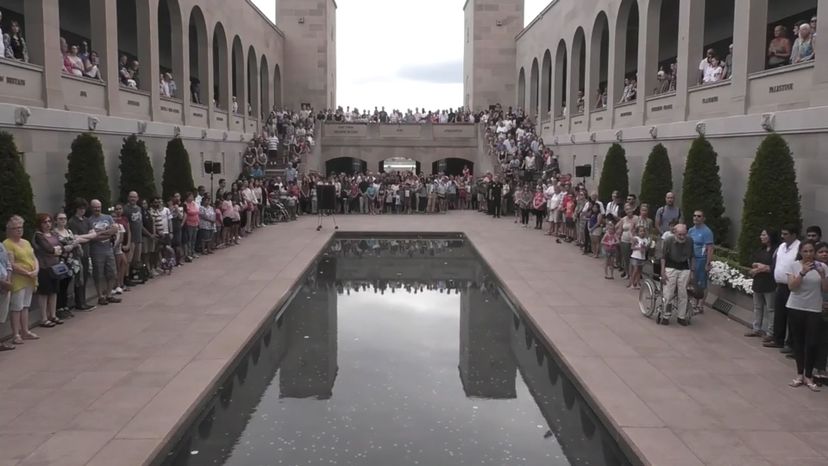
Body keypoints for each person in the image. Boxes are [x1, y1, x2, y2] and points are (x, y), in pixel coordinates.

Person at [785, 240, 828, 391]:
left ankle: (809, 376)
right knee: (799, 342)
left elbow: (825, 289)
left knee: (812, 343)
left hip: (814, 309)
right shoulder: (794, 265)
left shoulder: (822, 267)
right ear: (801, 252)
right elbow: (792, 287)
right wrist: (802, 273)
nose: (809, 254)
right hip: (796, 307)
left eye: (811, 251)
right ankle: (799, 375)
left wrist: (822, 275)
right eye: (806, 251)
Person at [765, 224, 801, 350]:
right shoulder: (781, 246)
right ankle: (778, 339)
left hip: (792, 286)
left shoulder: (799, 247)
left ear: (794, 235)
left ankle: (790, 343)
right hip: (780, 285)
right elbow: (776, 262)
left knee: (791, 315)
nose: (782, 236)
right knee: (779, 314)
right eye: (782, 234)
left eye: (786, 234)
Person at [3, 215, 39, 344]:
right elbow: (10, 264)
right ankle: (16, 334)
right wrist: (27, 272)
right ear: (9, 230)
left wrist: (36, 270)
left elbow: (33, 257)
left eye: (20, 227)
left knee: (25, 306)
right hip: (18, 279)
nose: (19, 230)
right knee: (16, 307)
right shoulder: (7, 244)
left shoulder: (26, 242)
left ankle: (25, 331)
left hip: (30, 278)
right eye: (15, 228)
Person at [32, 213, 64, 328]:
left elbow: (61, 245)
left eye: (49, 221)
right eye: (44, 222)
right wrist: (55, 250)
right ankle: (43, 318)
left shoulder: (54, 233)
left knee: (54, 291)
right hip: (44, 267)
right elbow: (48, 248)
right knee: (44, 292)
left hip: (55, 266)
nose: (47, 224)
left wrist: (56, 250)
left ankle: (53, 315)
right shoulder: (38, 235)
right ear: (40, 224)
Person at [660, 224, 695, 326]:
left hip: (684, 267)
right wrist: (663, 271)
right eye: (680, 234)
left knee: (683, 292)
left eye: (684, 234)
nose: (682, 237)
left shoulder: (690, 241)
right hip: (671, 266)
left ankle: (681, 316)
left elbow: (692, 256)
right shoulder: (668, 241)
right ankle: (666, 315)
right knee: (669, 292)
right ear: (674, 232)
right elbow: (663, 257)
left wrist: (692, 272)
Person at [746, 229, 779, 337]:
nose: (761, 237)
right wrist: (756, 266)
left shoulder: (776, 250)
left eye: (764, 235)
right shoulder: (761, 249)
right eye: (761, 234)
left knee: (771, 308)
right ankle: (756, 328)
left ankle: (771, 332)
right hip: (758, 282)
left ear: (770, 236)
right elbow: (754, 262)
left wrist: (761, 268)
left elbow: (774, 267)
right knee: (757, 307)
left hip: (770, 283)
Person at [87, 199, 120, 305]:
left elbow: (114, 231)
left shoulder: (108, 217)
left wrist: (100, 233)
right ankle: (100, 296)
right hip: (96, 251)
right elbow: (92, 238)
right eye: (95, 207)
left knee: (112, 273)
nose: (97, 209)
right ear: (91, 208)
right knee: (98, 274)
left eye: (99, 207)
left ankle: (109, 294)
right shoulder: (89, 221)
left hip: (108, 249)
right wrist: (106, 233)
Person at [688, 210, 714, 313]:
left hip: (701, 260)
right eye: (694, 215)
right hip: (692, 259)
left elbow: (710, 248)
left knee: (702, 284)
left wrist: (708, 263)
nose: (696, 218)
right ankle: (694, 303)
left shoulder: (707, 231)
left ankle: (700, 305)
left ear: (703, 218)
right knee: (693, 282)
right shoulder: (691, 230)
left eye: (699, 216)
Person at [0, 235, 12, 351]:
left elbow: (8, 264)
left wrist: (8, 281)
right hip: (2, 284)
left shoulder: (1, 246)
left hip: (5, 287)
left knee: (2, 315)